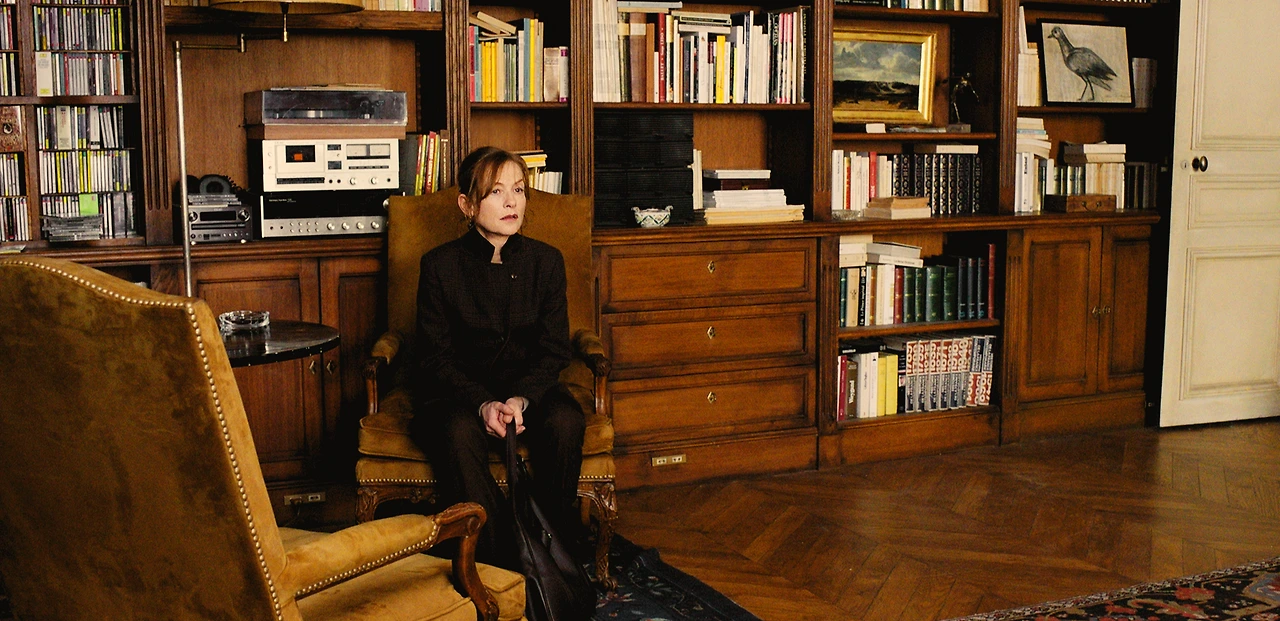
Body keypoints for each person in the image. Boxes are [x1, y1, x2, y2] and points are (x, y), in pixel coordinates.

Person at [408, 146, 586, 566]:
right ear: (467, 205)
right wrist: (482, 403)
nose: (511, 203)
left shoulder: (547, 261)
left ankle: (550, 550)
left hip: (528, 388)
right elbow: (435, 358)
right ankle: (496, 559)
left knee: (566, 421)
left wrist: (521, 399)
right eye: (496, 192)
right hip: (458, 393)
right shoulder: (439, 265)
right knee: (457, 432)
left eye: (519, 190)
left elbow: (554, 349)